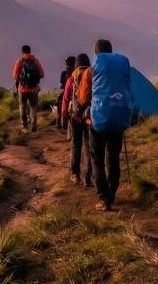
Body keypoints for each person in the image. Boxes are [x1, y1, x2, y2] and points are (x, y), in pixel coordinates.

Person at [89, 39, 133, 211]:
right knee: (113, 159)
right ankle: (111, 195)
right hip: (119, 116)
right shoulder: (122, 65)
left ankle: (103, 198)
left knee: (97, 159)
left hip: (99, 119)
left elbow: (86, 92)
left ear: (97, 53)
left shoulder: (95, 67)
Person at [67, 53, 94, 187]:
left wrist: (62, 118)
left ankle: (75, 174)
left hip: (75, 116)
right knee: (89, 147)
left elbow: (66, 98)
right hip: (89, 116)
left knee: (76, 145)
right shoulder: (92, 75)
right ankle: (87, 178)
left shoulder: (72, 78)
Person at [12, 45, 45, 133]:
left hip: (22, 89)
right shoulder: (35, 61)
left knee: (22, 106)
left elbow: (15, 76)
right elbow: (42, 74)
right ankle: (33, 125)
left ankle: (24, 127)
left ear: (22, 52)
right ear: (30, 51)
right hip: (34, 89)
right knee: (33, 107)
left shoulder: (20, 61)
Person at [57, 55, 76, 130]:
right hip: (76, 94)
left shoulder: (64, 73)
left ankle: (59, 122)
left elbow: (61, 86)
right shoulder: (78, 72)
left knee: (60, 103)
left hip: (66, 94)